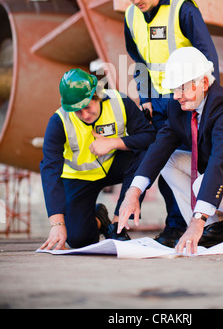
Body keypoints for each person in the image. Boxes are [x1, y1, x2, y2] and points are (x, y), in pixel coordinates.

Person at [117, 47, 223, 252]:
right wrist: (134, 191)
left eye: (181, 88)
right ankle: (213, 230)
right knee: (170, 161)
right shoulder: (179, 106)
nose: (176, 96)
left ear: (204, 83)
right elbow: (159, 146)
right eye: (174, 89)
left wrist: (196, 222)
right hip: (222, 168)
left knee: (202, 183)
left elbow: (221, 162)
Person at [119, 0, 220, 246]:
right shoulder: (131, 17)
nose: (136, 0)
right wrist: (147, 99)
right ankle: (176, 226)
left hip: (187, 99)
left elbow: (208, 55)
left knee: (198, 161)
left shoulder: (182, 8)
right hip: (160, 103)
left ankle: (209, 225)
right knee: (165, 163)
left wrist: (207, 102)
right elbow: (139, 61)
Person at [39, 68, 156, 251]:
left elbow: (149, 137)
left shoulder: (120, 102)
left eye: (87, 107)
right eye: (78, 111)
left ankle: (118, 227)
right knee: (79, 239)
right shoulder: (58, 121)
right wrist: (57, 225)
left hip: (113, 166)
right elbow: (49, 170)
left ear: (98, 95)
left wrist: (114, 143)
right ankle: (100, 219)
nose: (84, 115)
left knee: (144, 156)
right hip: (79, 178)